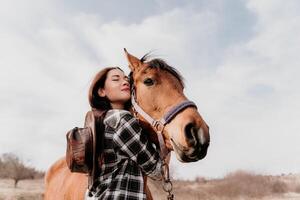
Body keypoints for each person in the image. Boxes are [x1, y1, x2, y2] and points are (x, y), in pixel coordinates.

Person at [85, 67, 162, 200]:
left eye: (126, 78)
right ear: (102, 91)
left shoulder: (102, 121)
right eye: (116, 79)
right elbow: (157, 170)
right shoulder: (122, 120)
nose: (125, 81)